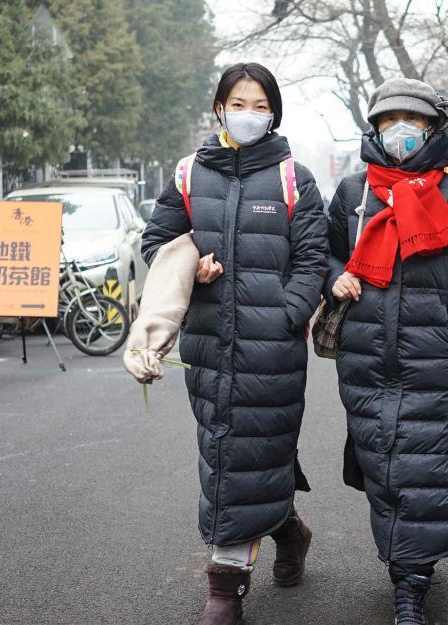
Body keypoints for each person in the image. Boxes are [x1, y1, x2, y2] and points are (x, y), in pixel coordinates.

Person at [140, 62, 328, 625]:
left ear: (273, 112)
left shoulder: (295, 178)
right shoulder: (189, 174)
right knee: (224, 449)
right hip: (208, 343)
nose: (249, 114)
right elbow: (157, 242)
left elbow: (313, 259)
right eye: (238, 103)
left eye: (259, 105)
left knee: (256, 447)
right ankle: (287, 531)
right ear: (219, 108)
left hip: (273, 347)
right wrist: (190, 266)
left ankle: (225, 586)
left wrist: (286, 315)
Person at [324, 77, 448, 625]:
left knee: (426, 459)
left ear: (432, 128)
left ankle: (411, 582)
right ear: (374, 127)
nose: (400, 129)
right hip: (366, 357)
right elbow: (321, 257)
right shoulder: (353, 196)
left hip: (433, 358)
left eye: (414, 119)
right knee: (385, 465)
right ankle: (408, 568)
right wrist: (337, 279)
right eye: (388, 119)